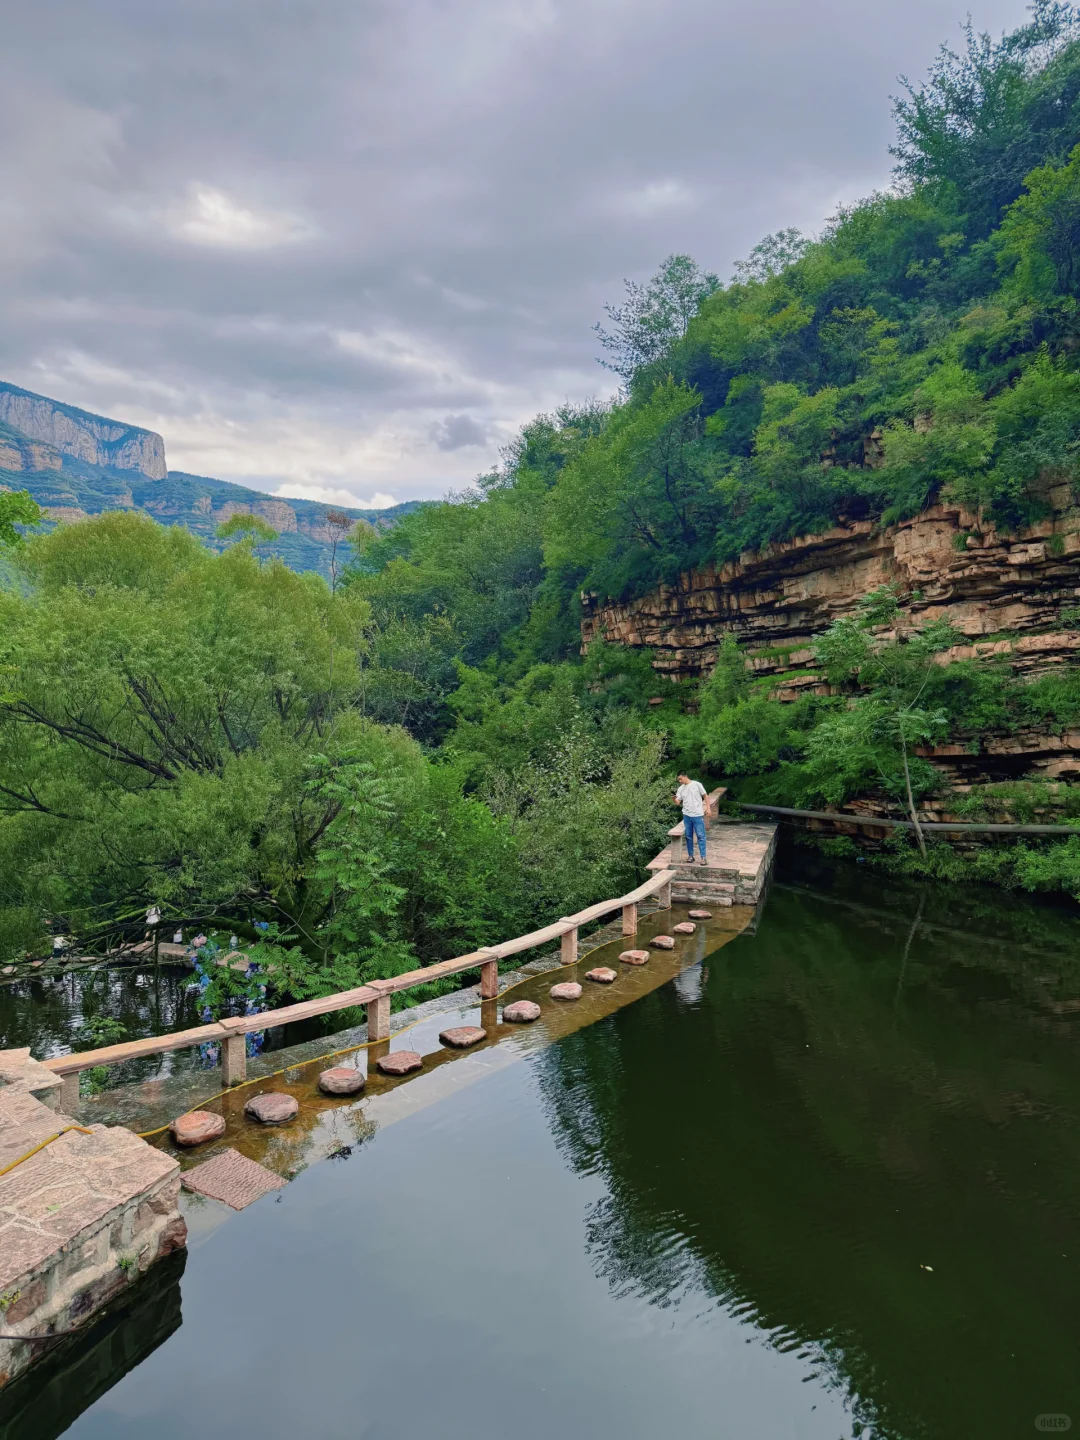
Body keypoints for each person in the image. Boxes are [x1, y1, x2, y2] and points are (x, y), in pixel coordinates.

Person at [673, 773, 710, 864]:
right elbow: (678, 802)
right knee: (688, 836)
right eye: (678, 780)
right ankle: (690, 856)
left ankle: (703, 858)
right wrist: (674, 798)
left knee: (700, 836)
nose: (680, 781)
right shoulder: (680, 789)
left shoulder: (697, 784)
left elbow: (705, 795)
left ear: (685, 776)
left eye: (681, 779)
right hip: (687, 815)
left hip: (697, 814)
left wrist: (708, 808)